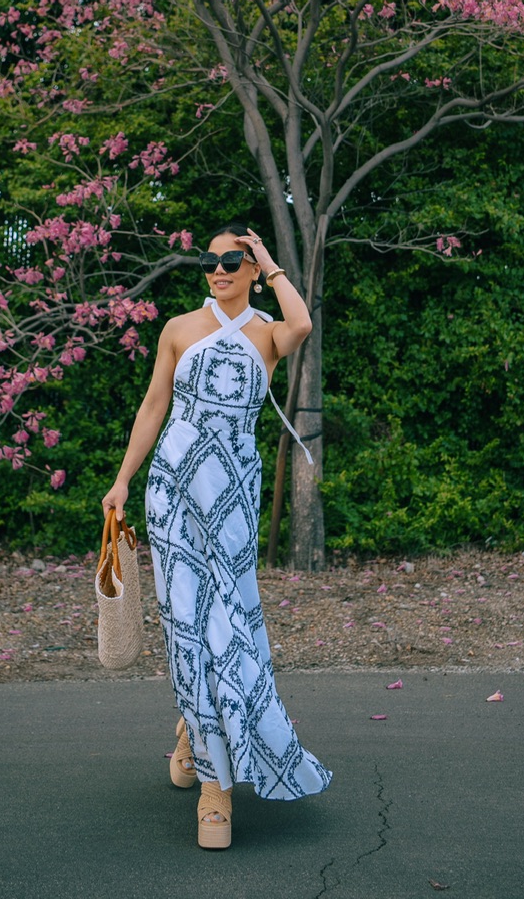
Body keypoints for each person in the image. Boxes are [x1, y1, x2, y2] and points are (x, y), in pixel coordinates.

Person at [102, 222, 332, 849]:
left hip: (230, 501)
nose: (219, 268)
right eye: (211, 259)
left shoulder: (269, 333)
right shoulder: (178, 328)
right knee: (185, 629)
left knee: (227, 631)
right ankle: (214, 788)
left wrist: (271, 264)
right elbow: (153, 407)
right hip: (173, 493)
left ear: (253, 267)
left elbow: (303, 325)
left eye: (234, 259)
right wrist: (123, 481)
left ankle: (192, 729)